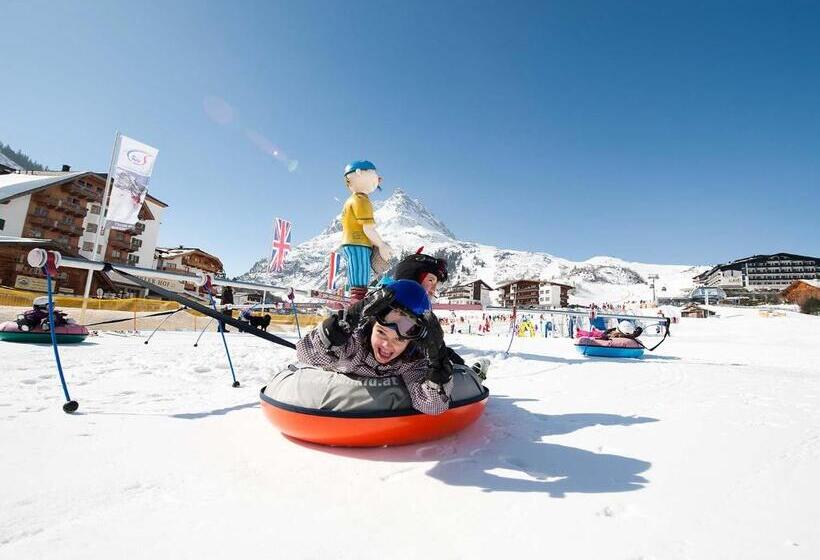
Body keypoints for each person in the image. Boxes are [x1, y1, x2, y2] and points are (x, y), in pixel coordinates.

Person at [296, 280, 454, 415]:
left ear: (410, 342)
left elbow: (432, 406)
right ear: (371, 325)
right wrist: (341, 325)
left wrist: (439, 361)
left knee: (451, 356)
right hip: (330, 405)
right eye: (381, 333)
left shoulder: (410, 363)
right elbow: (306, 355)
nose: (386, 345)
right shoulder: (353, 344)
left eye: (399, 339)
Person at [388, 250, 489, 379]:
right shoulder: (394, 308)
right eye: (431, 280)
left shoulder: (420, 312)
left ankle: (468, 376)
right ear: (411, 278)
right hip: (402, 376)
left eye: (437, 284)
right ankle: (466, 380)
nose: (434, 288)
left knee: (446, 353)